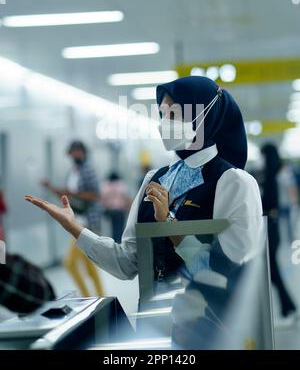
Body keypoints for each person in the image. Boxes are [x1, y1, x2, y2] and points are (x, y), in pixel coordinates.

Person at [25, 76, 263, 348]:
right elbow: (127, 263)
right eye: (162, 114)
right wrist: (75, 229)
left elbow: (232, 272)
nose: (165, 123)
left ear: (204, 115)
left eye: (174, 114)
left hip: (212, 330)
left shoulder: (233, 182)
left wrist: (170, 225)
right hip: (155, 330)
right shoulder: (155, 178)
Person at [41, 141, 104, 297]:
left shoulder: (87, 170)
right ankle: (100, 297)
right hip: (77, 221)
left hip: (87, 223)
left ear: (83, 152)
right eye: (73, 152)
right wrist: (51, 188)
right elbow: (67, 196)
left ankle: (86, 297)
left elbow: (94, 195)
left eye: (78, 151)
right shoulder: (73, 172)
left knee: (69, 263)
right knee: (89, 265)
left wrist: (71, 193)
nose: (75, 155)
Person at [261, 143, 297, 323]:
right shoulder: (274, 174)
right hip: (273, 227)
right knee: (273, 272)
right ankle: (287, 307)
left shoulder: (271, 177)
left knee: (273, 272)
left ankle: (289, 307)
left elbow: (270, 202)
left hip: (271, 229)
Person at [100, 172, 131, 243]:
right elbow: (126, 198)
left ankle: (111, 242)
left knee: (109, 229)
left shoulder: (106, 185)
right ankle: (118, 242)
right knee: (119, 229)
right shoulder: (121, 185)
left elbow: (103, 199)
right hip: (120, 211)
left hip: (109, 211)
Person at [278, 162, 299, 243]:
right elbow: (292, 189)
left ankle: (285, 238)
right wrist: (295, 201)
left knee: (284, 223)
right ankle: (290, 238)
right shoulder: (286, 176)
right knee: (290, 222)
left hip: (281, 202)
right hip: (287, 202)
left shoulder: (278, 176)